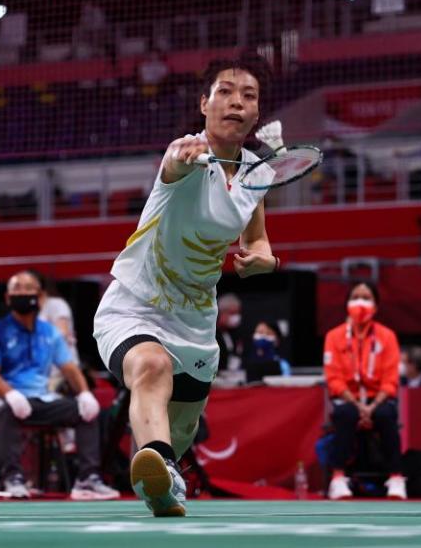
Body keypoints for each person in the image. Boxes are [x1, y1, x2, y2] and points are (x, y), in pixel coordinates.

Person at [92, 53, 280, 516]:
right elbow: (175, 164)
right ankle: (160, 467)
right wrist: (181, 159)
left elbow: (256, 238)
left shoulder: (259, 171)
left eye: (248, 96)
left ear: (257, 113)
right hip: (135, 305)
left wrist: (263, 259)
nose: (236, 102)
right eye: (225, 92)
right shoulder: (185, 153)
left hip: (196, 321)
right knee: (151, 367)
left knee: (184, 427)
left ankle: (163, 477)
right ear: (204, 103)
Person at [0, 270, 119, 501]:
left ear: (40, 296)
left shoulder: (49, 332)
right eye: (16, 289)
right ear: (7, 298)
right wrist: (11, 395)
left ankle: (88, 479)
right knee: (6, 409)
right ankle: (12, 478)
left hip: (40, 400)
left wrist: (84, 394)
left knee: (86, 412)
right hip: (1, 401)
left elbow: (70, 369)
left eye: (27, 288)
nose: (22, 293)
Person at [323, 282, 407, 500]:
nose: (361, 301)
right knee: (344, 414)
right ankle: (338, 478)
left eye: (366, 297)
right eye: (356, 296)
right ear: (347, 303)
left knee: (387, 415)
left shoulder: (387, 336)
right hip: (348, 400)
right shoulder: (334, 336)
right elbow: (334, 379)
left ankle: (396, 478)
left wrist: (371, 407)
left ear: (375, 306)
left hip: (377, 400)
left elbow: (391, 380)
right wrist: (359, 407)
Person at [216, 293, 244, 373]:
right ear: (220, 312)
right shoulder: (211, 335)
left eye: (238, 313)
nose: (236, 317)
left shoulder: (234, 334)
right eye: (232, 313)